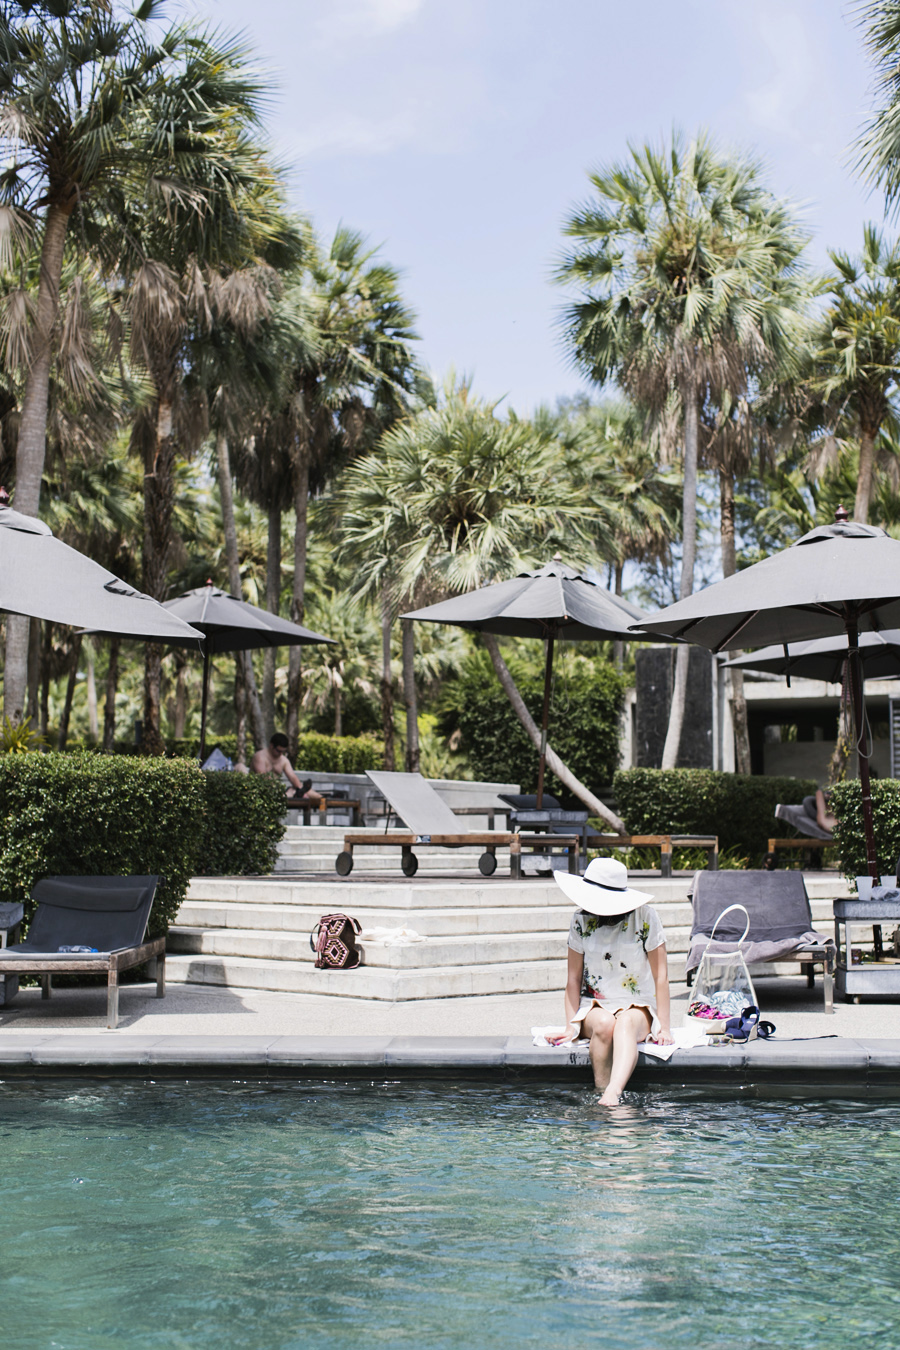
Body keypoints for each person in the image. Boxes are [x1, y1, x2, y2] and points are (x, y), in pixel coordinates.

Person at [548, 856, 673, 1105]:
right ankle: (601, 1093)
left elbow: (661, 976)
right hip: (594, 1006)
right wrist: (570, 1027)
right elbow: (573, 978)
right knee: (606, 1024)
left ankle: (612, 1093)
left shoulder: (646, 917)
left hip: (638, 1005)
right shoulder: (580, 920)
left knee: (625, 1023)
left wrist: (665, 1028)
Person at [250, 733, 324, 808]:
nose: (280, 754)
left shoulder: (284, 760)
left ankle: (322, 799)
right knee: (289, 793)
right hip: (259, 793)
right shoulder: (260, 757)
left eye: (283, 752)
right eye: (278, 751)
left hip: (278, 793)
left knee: (304, 791)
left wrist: (302, 790)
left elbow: (293, 778)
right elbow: (264, 779)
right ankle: (292, 794)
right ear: (271, 745)